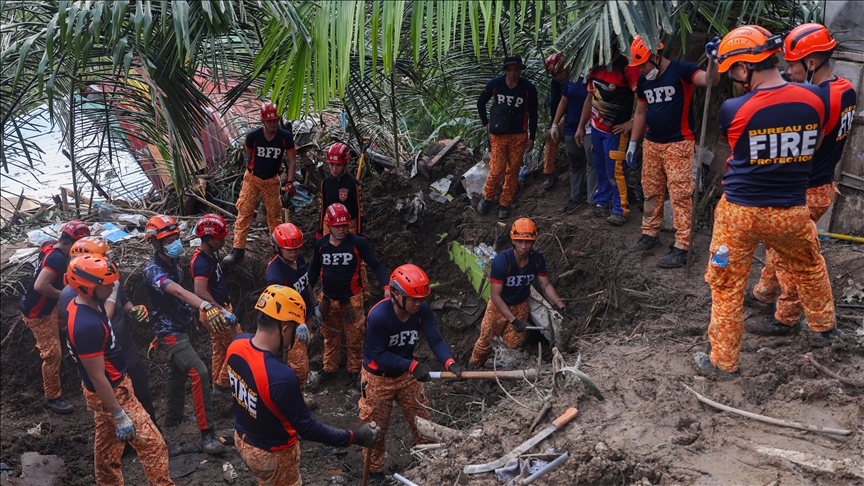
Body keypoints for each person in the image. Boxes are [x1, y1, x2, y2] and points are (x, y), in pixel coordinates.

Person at [696, 26, 839, 378]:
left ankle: (723, 362)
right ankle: (824, 330)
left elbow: (742, 147)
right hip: (791, 209)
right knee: (808, 265)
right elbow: (816, 143)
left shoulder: (734, 109)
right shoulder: (814, 99)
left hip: (741, 212)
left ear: (745, 69)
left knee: (728, 285)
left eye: (732, 70)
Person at [746, 23, 857, 335]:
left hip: (804, 190)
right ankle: (764, 294)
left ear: (811, 63)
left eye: (791, 65)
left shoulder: (816, 103)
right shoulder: (845, 90)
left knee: (790, 258)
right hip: (824, 184)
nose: (787, 70)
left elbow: (803, 151)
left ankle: (786, 318)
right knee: (778, 249)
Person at [226, 285, 380, 486]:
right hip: (273, 455)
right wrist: (353, 437)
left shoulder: (236, 345)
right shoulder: (280, 376)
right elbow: (307, 428)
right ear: (285, 328)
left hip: (243, 441)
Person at [63, 255, 173, 485]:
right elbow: (97, 375)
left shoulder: (83, 304)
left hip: (103, 393)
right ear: (88, 287)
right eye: (107, 283)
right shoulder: (88, 327)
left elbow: (109, 308)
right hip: (114, 392)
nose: (113, 286)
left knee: (107, 450)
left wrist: (126, 302)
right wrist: (119, 414)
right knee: (154, 446)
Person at [360, 264, 465, 483]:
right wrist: (412, 366)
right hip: (378, 379)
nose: (419, 304)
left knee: (422, 420)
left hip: (406, 376)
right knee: (376, 428)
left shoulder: (421, 311)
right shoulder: (379, 316)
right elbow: (378, 354)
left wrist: (450, 362)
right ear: (396, 294)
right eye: (414, 299)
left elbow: (434, 339)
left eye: (422, 299)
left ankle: (430, 464)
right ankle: (375, 472)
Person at [627, 35, 721, 268]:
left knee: (679, 195)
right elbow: (640, 113)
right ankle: (650, 233)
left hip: (678, 143)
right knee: (651, 190)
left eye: (643, 64)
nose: (640, 69)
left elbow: (710, 81)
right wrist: (632, 143)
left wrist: (713, 59)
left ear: (656, 57)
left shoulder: (681, 70)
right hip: (651, 143)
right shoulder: (644, 81)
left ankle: (682, 245)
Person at [142, 214, 227, 453]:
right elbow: (178, 292)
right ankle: (207, 434)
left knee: (177, 373)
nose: (174, 242)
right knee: (199, 372)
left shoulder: (174, 261)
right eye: (168, 239)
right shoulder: (153, 271)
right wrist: (204, 305)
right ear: (156, 243)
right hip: (170, 332)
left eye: (175, 237)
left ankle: (173, 417)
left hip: (181, 327)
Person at [58, 237, 157, 425]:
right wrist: (112, 294)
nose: (109, 260)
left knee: (143, 396)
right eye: (103, 256)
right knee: (116, 412)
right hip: (106, 363)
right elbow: (99, 322)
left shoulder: (107, 280)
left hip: (126, 350)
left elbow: (123, 301)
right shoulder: (73, 294)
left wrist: (132, 309)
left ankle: (151, 434)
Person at [307, 203, 390, 388]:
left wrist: (386, 285)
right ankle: (329, 368)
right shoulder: (321, 245)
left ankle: (355, 370)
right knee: (330, 336)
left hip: (351, 298)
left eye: (345, 225)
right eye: (338, 226)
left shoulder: (357, 243)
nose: (342, 229)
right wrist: (307, 292)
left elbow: (375, 264)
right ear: (329, 225)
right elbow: (313, 270)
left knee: (354, 337)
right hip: (327, 299)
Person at [469, 218, 567, 368]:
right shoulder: (502, 261)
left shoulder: (536, 260)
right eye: (519, 241)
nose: (523, 246)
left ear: (534, 241)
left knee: (514, 344)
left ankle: (500, 368)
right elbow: (495, 295)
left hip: (521, 304)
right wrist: (513, 320)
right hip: (498, 306)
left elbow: (545, 285)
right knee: (485, 341)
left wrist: (561, 306)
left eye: (527, 242)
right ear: (513, 240)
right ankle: (474, 367)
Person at [19, 219, 90, 414]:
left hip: (48, 305)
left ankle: (72, 354)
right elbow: (40, 286)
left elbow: (43, 246)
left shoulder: (50, 245)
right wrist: (66, 294)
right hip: (38, 312)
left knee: (72, 321)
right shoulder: (57, 259)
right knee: (52, 355)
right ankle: (52, 397)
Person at [223, 101, 298, 266]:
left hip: (271, 180)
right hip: (252, 178)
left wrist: (290, 182)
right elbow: (249, 154)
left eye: (275, 120)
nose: (272, 123)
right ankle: (238, 250)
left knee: (274, 215)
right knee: (244, 212)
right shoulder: (253, 136)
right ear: (263, 120)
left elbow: (292, 161)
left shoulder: (285, 137)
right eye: (269, 120)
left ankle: (277, 248)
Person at [574, 41, 640, 226]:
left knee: (615, 170)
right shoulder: (595, 67)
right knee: (599, 166)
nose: (601, 51)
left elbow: (644, 97)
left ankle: (620, 209)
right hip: (596, 128)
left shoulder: (626, 66)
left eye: (604, 47)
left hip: (615, 131)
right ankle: (601, 203)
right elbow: (589, 98)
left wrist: (632, 122)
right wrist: (581, 127)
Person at [265, 223, 322, 408]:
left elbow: (306, 285)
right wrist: (298, 322)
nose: (294, 252)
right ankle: (293, 402)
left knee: (303, 356)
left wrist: (315, 306)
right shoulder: (276, 272)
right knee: (299, 366)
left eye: (297, 248)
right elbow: (278, 302)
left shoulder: (300, 259)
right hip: (289, 324)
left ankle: (296, 395)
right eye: (289, 249)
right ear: (277, 247)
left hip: (305, 317)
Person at [476, 54, 539, 219]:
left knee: (513, 171)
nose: (512, 73)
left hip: (519, 135)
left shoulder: (528, 88)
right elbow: (481, 102)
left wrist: (532, 137)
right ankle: (488, 197)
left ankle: (505, 203)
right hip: (499, 135)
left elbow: (533, 113)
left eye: (515, 69)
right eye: (509, 70)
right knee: (497, 169)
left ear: (520, 70)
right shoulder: (496, 84)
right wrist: (485, 122)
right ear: (505, 70)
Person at [190, 214, 241, 401]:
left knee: (220, 348)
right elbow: (200, 291)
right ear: (209, 239)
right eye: (220, 237)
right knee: (238, 344)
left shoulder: (208, 255)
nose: (224, 239)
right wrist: (223, 310)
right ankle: (223, 385)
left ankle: (217, 386)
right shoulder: (202, 262)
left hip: (215, 309)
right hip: (215, 312)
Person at [317, 141, 370, 299]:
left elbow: (360, 210)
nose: (334, 168)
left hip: (349, 226)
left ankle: (363, 292)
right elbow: (323, 208)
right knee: (327, 257)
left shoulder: (353, 184)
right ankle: (327, 291)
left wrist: (359, 233)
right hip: (329, 226)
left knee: (356, 260)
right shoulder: (325, 184)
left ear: (345, 164)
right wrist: (320, 231)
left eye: (338, 165)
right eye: (331, 165)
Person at [552, 71, 594, 214]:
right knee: (576, 165)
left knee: (592, 164)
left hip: (590, 129)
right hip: (570, 128)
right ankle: (575, 199)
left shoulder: (597, 75)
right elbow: (564, 100)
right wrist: (555, 124)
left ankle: (592, 202)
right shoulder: (574, 76)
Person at [540, 53, 569, 190]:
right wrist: (554, 125)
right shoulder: (556, 83)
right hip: (566, 116)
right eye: (554, 74)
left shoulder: (576, 78)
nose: (558, 77)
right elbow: (554, 104)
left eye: (559, 72)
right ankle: (548, 172)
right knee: (550, 137)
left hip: (583, 117)